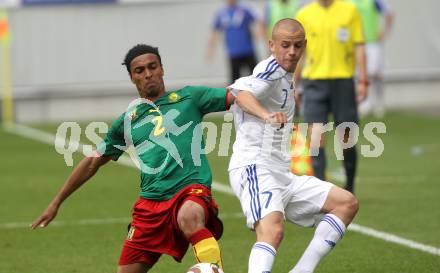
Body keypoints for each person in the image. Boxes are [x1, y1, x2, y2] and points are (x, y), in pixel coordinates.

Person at [31, 44, 235, 273]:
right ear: (132, 78)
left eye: (152, 67)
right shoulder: (128, 120)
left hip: (189, 191)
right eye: (139, 71)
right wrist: (56, 202)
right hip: (150, 205)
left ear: (162, 69)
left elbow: (235, 95)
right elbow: (91, 163)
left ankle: (213, 268)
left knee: (189, 216)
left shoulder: (190, 98)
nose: (148, 74)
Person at [228, 19, 359, 273]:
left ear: (304, 46)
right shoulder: (270, 70)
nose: (291, 51)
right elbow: (240, 94)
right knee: (273, 229)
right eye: (285, 45)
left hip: (281, 174)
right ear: (271, 45)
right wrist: (266, 115)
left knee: (346, 204)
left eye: (297, 46)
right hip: (254, 166)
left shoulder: (287, 75)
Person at [295, 0, 369, 193]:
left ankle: (350, 187)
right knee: (316, 137)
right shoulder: (304, 14)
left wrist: (363, 80)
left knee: (347, 137)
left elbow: (359, 46)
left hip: (342, 81)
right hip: (313, 83)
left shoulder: (350, 10)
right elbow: (300, 53)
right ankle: (321, 191)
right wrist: (295, 83)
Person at [351, 0, 394, 118]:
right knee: (360, 73)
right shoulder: (348, 2)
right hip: (356, 43)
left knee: (374, 73)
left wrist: (385, 32)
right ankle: (364, 103)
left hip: (373, 43)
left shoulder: (374, 1)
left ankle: (378, 102)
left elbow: (389, 13)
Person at [207, 0, 263, 83]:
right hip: (233, 52)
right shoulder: (222, 13)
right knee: (235, 80)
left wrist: (259, 32)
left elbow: (258, 19)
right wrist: (210, 49)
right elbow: (214, 30)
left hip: (248, 50)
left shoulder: (244, 9)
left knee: (256, 77)